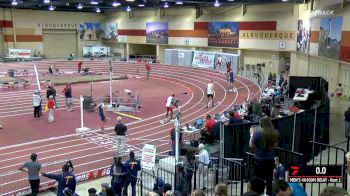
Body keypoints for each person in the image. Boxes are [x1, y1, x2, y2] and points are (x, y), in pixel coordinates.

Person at [249, 117, 279, 195]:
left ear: (261, 124)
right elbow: (275, 145)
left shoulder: (257, 133)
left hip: (258, 160)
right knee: (269, 178)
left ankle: (257, 193)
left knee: (258, 178)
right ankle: (269, 194)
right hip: (269, 159)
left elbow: (251, 145)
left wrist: (252, 134)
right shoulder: (275, 132)